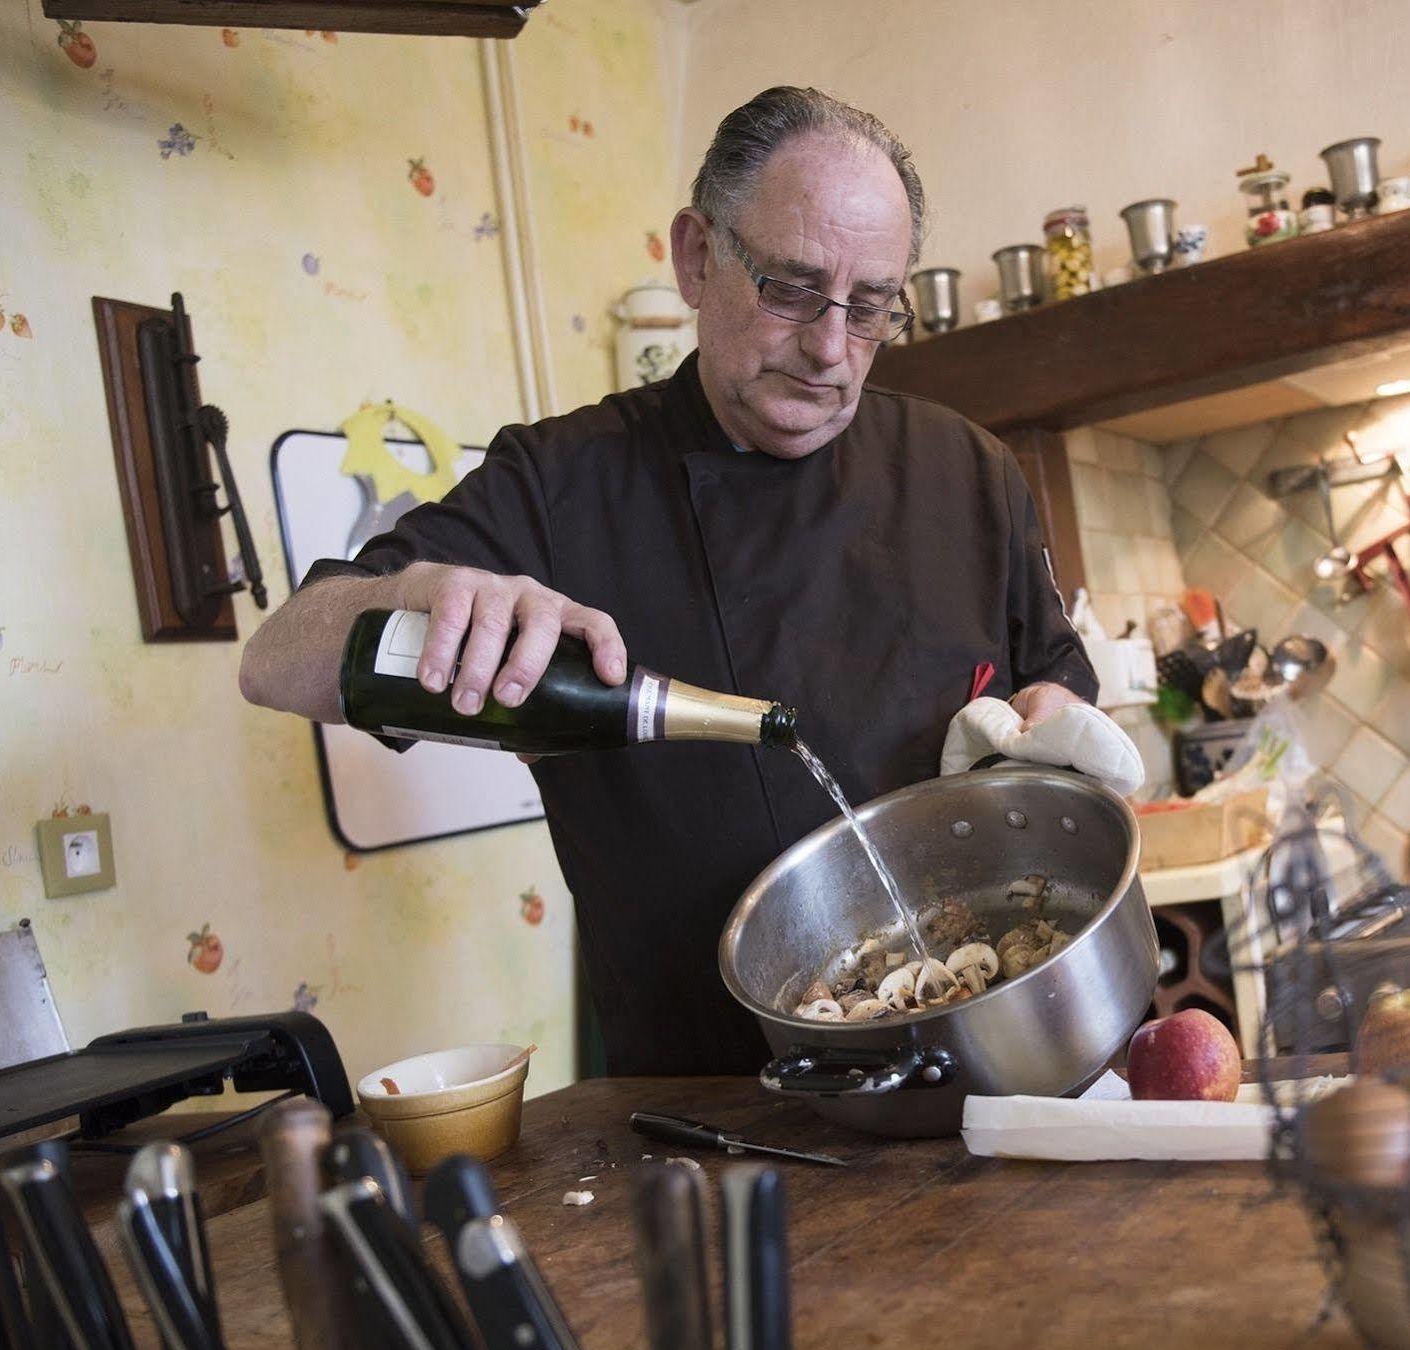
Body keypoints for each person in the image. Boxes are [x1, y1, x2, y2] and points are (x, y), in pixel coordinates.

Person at [240, 86, 1095, 1076]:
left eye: (870, 308)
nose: (829, 348)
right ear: (696, 256)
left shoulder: (967, 471)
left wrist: (1054, 719)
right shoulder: (561, 484)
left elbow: (1055, 685)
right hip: (705, 1099)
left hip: (981, 1050)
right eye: (790, 287)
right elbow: (276, 659)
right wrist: (421, 594)